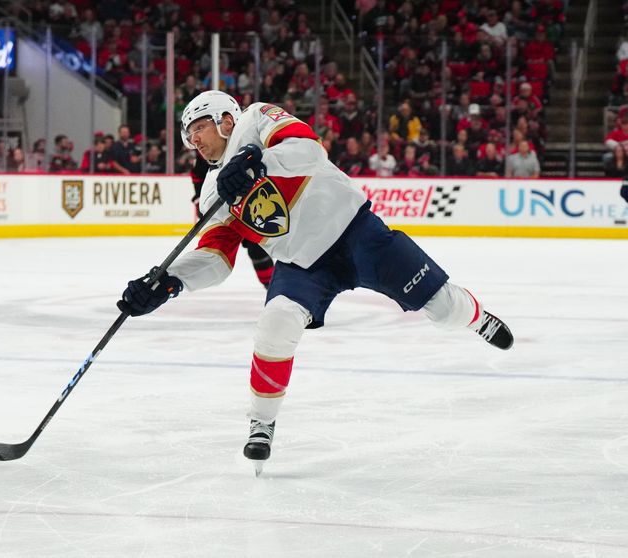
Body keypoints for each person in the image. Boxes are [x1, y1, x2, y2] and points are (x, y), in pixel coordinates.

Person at [117, 91, 514, 474]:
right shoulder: (211, 194)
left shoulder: (255, 120)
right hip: (302, 264)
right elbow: (216, 259)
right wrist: (169, 282)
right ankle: (262, 422)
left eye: (198, 128)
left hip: (359, 234)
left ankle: (477, 318)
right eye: (188, 136)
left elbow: (310, 151)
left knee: (445, 308)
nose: (194, 141)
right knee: (276, 323)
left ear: (224, 119)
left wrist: (258, 161)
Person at [191, 151, 274, 289]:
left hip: (246, 204)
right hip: (220, 211)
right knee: (218, 252)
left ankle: (271, 287)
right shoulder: (203, 153)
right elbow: (197, 176)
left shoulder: (237, 142)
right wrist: (200, 198)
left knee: (256, 249)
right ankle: (272, 286)